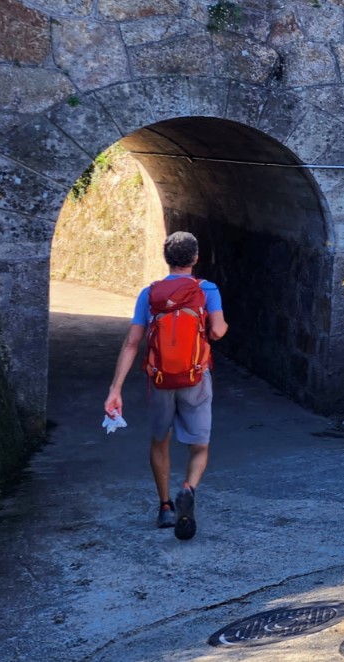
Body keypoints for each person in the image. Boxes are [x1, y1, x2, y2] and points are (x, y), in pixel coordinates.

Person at [104, 231, 228, 540]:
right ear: (195, 258)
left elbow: (133, 343)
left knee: (160, 441)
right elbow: (218, 331)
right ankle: (188, 488)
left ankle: (165, 507)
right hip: (196, 377)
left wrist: (115, 389)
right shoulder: (207, 289)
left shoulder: (150, 294)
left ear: (166, 258)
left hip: (160, 379)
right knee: (199, 446)